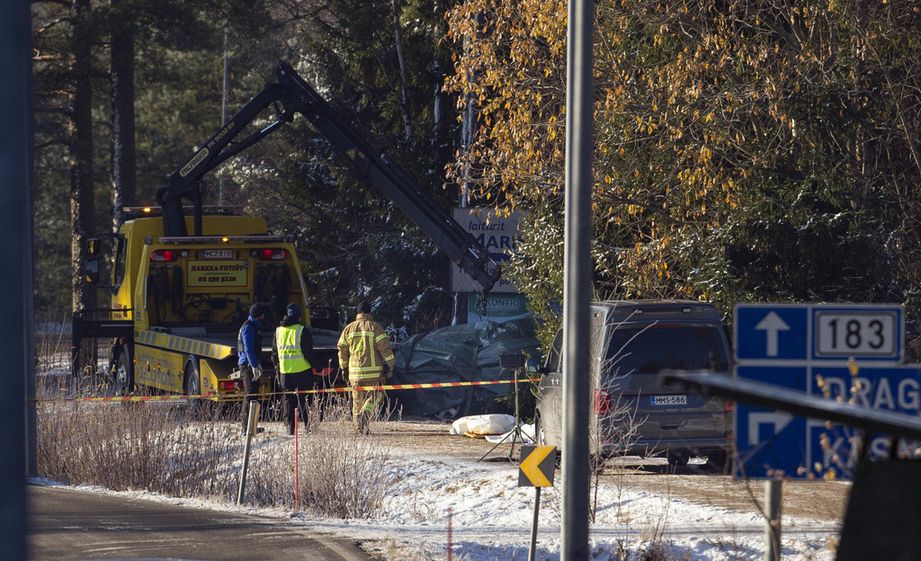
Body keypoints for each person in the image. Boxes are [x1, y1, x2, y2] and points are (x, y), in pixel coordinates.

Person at [337, 301, 395, 435]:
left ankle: (360, 429)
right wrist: (390, 365)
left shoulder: (348, 329)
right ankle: (366, 413)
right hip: (373, 373)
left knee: (357, 400)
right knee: (377, 395)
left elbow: (341, 349)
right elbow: (385, 348)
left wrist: (343, 367)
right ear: (370, 312)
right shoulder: (375, 327)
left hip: (354, 374)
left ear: (358, 313)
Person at [271, 303, 317, 435]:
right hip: (302, 371)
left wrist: (278, 370)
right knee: (304, 399)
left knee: (288, 400)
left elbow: (274, 354)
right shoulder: (302, 331)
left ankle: (290, 428)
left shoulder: (278, 331)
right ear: (299, 316)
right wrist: (316, 366)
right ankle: (308, 426)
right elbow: (308, 352)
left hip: (285, 372)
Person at [238, 304, 266, 434]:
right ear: (260, 315)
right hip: (248, 366)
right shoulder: (249, 328)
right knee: (250, 396)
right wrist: (254, 365)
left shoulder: (251, 326)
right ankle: (246, 429)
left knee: (253, 396)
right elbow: (248, 350)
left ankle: (252, 427)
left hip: (250, 364)